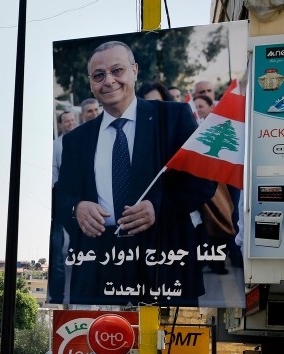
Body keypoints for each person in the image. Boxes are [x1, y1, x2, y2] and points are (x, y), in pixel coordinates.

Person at [53, 40, 216, 305]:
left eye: (117, 70)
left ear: (135, 71)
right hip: (100, 268)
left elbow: (203, 181)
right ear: (91, 83)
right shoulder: (76, 140)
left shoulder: (172, 117)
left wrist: (158, 207)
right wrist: (77, 208)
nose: (109, 81)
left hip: (164, 264)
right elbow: (60, 197)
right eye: (99, 75)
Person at [49, 110, 78, 302]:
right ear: (60, 125)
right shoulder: (56, 145)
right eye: (66, 121)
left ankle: (79, 286)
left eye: (72, 120)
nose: (70, 123)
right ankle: (57, 294)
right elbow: (53, 172)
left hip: (82, 198)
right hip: (61, 199)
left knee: (79, 242)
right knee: (56, 244)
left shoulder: (85, 140)